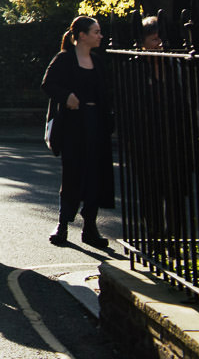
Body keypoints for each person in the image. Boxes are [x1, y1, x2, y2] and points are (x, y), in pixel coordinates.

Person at [41, 15, 114, 249]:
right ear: (82, 35)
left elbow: (107, 93)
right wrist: (67, 97)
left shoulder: (98, 61)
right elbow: (47, 84)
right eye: (96, 32)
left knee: (95, 174)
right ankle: (62, 224)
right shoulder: (64, 59)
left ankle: (90, 227)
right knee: (72, 174)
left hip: (96, 124)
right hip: (73, 125)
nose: (100, 36)